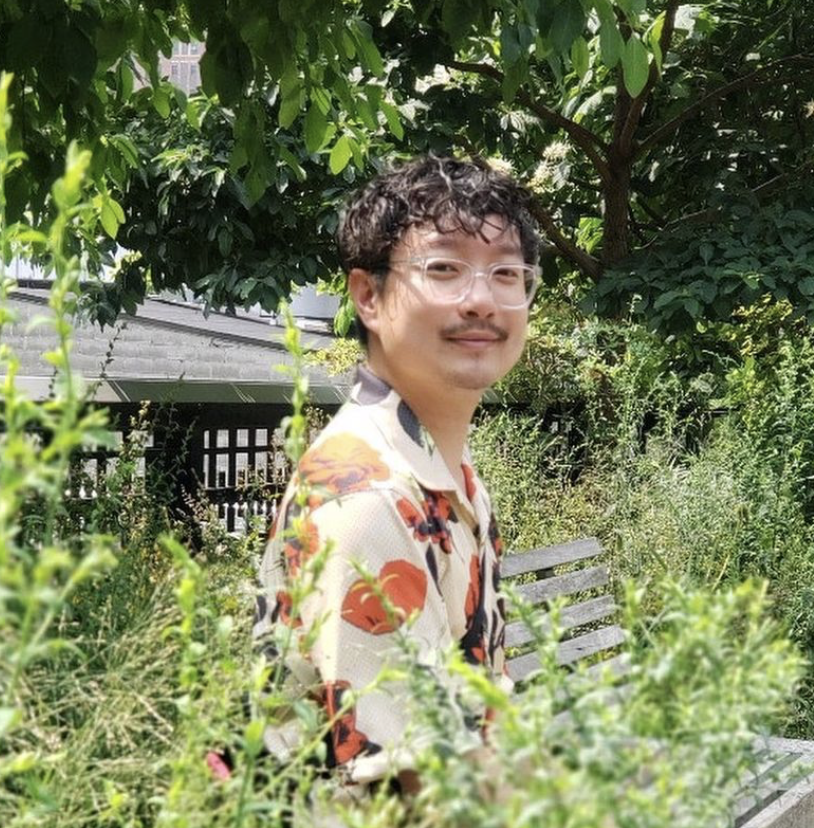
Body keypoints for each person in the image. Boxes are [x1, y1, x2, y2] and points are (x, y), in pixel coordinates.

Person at [252, 155, 541, 795]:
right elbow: (421, 786)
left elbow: (482, 708)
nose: (481, 299)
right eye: (443, 268)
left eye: (507, 273)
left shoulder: (446, 474)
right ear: (368, 295)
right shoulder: (368, 499)